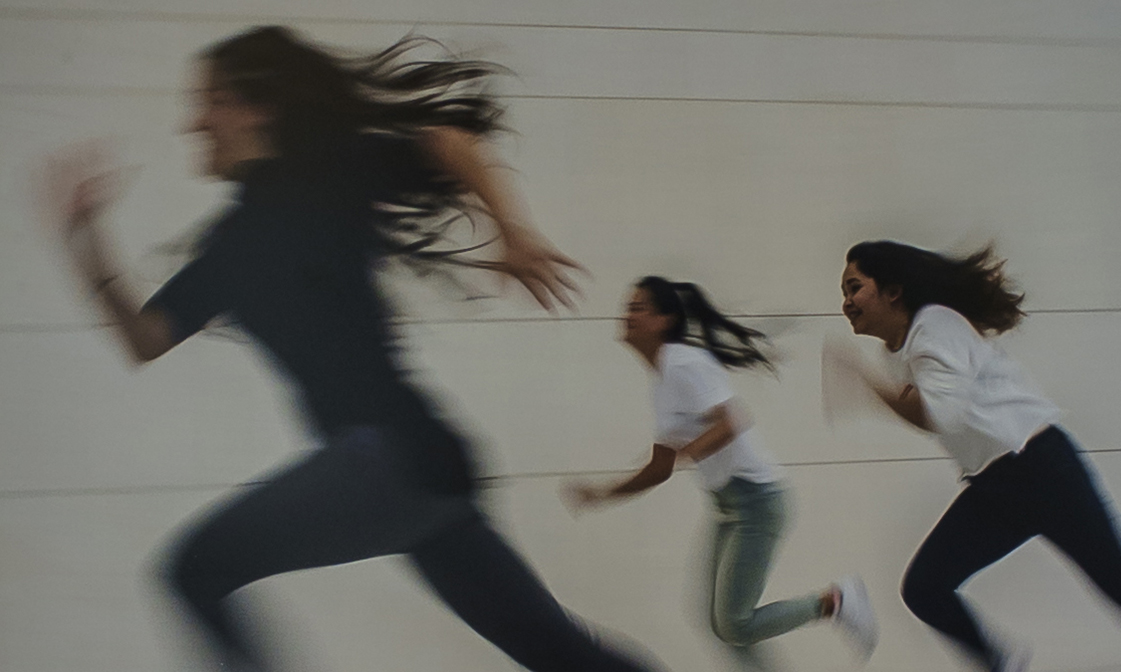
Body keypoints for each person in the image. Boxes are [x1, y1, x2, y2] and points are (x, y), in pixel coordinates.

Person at [38, 25, 663, 672]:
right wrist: (85, 242)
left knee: (192, 570)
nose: (192, 123)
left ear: (261, 106)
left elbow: (447, 141)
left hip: (385, 462)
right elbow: (147, 339)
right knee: (559, 653)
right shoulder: (231, 244)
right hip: (425, 469)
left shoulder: (331, 175)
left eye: (211, 100)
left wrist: (515, 232)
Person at [830, 240, 1121, 671]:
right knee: (924, 590)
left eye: (854, 288)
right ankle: (1000, 664)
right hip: (994, 486)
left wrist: (867, 383)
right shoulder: (896, 351)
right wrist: (882, 385)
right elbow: (931, 411)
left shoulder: (935, 325)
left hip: (1041, 469)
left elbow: (942, 415)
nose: (846, 302)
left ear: (892, 290)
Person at [564, 276, 878, 668]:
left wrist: (686, 453)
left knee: (733, 625)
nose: (627, 314)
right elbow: (658, 470)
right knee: (720, 623)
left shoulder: (683, 363)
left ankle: (834, 602)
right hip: (730, 506)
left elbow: (731, 423)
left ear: (664, 319)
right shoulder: (664, 380)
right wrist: (603, 493)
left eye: (638, 307)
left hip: (757, 503)